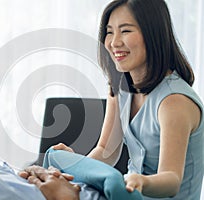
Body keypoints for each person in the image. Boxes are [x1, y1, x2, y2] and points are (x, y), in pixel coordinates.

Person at [50, 0, 203, 199]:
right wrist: (76, 166)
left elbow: (171, 180)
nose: (114, 42)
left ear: (153, 34)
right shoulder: (120, 88)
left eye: (126, 31)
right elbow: (106, 152)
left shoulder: (174, 102)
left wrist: (141, 181)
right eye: (110, 31)